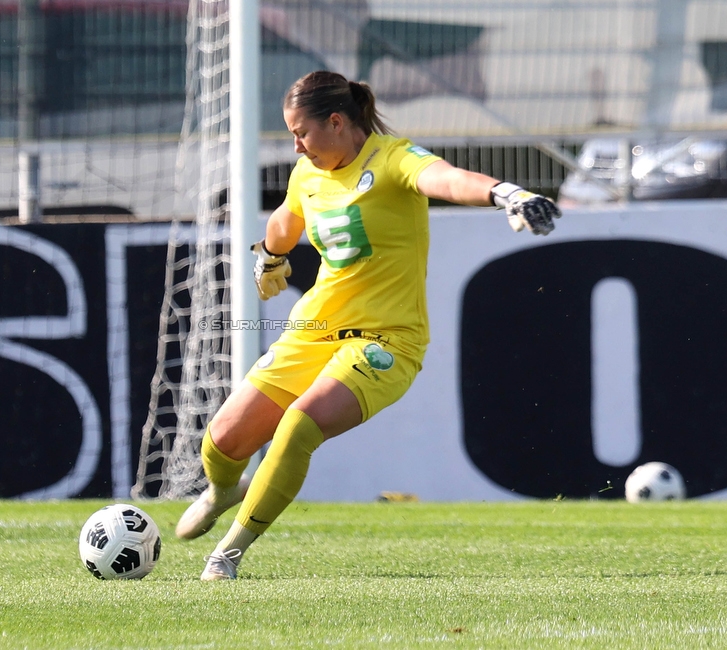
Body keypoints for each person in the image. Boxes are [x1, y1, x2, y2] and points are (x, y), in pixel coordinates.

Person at [175, 70, 561, 580]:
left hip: (387, 340)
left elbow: (445, 178)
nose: (296, 147)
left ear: (337, 122)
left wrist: (507, 194)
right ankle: (226, 490)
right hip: (315, 330)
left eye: (302, 133)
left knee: (297, 427)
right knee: (223, 440)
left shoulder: (394, 159)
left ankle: (228, 553)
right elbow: (285, 222)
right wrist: (269, 256)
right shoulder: (308, 173)